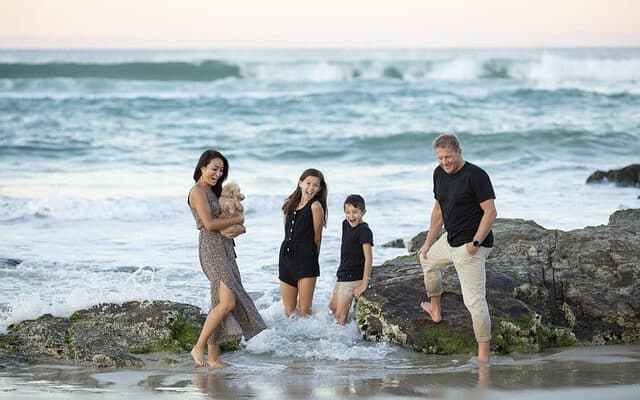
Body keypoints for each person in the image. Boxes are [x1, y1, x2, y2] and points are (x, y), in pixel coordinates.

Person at [417, 133, 497, 364]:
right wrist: (428, 242)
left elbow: (490, 213)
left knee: (473, 301)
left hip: (471, 246)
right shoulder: (438, 173)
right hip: (450, 240)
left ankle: (483, 355)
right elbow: (438, 210)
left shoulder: (476, 175)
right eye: (440, 158)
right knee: (427, 260)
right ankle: (435, 309)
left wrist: (474, 244)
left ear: (459, 152)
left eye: (449, 157)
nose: (445, 162)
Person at [188, 149, 266, 367]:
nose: (218, 174)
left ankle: (213, 357)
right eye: (214, 169)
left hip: (225, 247)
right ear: (202, 167)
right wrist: (238, 218)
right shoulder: (197, 192)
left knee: (218, 301)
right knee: (228, 302)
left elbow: (222, 217)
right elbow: (210, 224)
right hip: (211, 248)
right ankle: (198, 347)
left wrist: (237, 225)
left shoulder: (213, 192)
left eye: (221, 170)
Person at [278, 168, 328, 317]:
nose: (311, 188)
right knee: (289, 312)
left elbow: (317, 238)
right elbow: (287, 233)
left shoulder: (315, 207)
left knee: (305, 313)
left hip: (306, 259)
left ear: (319, 189)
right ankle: (289, 341)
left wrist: (313, 260)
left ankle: (308, 341)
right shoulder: (288, 204)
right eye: (308, 183)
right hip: (286, 258)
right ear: (300, 183)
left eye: (315, 185)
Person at [329, 194, 373, 325]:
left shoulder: (364, 231)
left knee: (340, 317)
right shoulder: (345, 224)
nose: (351, 216)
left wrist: (364, 284)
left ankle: (339, 343)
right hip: (342, 275)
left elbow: (369, 259)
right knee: (332, 308)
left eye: (355, 212)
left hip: (353, 277)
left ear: (363, 212)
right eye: (347, 212)